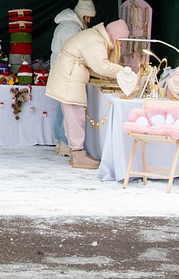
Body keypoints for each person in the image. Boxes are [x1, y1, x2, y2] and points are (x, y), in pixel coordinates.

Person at [45, 19, 129, 170]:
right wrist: (123, 71)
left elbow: (93, 65)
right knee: (75, 116)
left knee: (72, 117)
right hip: (69, 77)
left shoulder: (95, 36)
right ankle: (77, 154)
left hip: (68, 74)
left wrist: (109, 74)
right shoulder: (96, 41)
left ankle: (75, 153)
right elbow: (101, 66)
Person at [49, 0, 96, 156]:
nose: (89, 20)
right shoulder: (72, 29)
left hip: (60, 71)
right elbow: (74, 53)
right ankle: (65, 142)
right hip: (66, 73)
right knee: (66, 111)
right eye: (88, 16)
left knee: (61, 109)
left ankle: (60, 142)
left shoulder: (67, 25)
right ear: (82, 14)